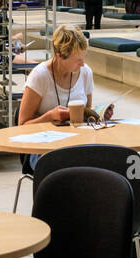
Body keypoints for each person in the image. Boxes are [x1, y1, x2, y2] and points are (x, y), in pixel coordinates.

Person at [18, 25, 95, 169]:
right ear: (59, 56)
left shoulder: (85, 72)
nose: (83, 64)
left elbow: (88, 113)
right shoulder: (40, 76)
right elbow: (22, 126)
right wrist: (49, 116)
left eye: (84, 58)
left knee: (106, 160)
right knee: (69, 167)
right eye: (77, 60)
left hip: (76, 142)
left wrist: (99, 115)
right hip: (43, 147)